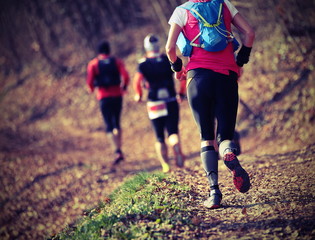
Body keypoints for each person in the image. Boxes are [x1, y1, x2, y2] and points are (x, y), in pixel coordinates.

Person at [166, 0, 255, 208]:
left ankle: (214, 192)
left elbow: (170, 47)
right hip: (227, 76)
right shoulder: (224, 5)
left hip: (198, 79)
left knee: (206, 138)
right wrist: (240, 61)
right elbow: (249, 33)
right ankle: (227, 153)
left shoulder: (181, 11)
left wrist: (177, 67)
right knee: (225, 136)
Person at [133, 34, 186, 173]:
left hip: (154, 103)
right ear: (159, 45)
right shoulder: (167, 60)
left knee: (159, 136)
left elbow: (137, 81)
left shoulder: (143, 63)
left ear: (146, 47)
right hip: (170, 100)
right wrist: (181, 93)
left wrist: (138, 94)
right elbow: (182, 76)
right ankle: (176, 149)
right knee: (173, 132)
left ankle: (165, 165)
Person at [86, 40, 130, 166]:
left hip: (103, 97)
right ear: (109, 50)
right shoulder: (116, 61)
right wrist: (124, 86)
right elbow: (125, 75)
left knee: (108, 124)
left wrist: (91, 89)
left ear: (99, 51)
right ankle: (119, 148)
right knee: (117, 123)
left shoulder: (93, 64)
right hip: (117, 95)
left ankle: (117, 151)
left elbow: (89, 81)